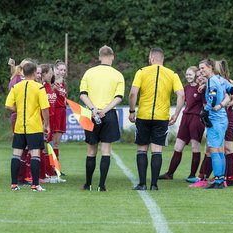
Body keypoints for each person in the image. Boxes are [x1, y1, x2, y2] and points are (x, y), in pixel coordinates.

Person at [128, 48, 185, 191]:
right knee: (157, 150)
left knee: (142, 149)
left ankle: (142, 184)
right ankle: (154, 185)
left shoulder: (141, 72)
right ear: (162, 59)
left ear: (151, 58)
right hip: (161, 117)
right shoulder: (172, 74)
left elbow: (132, 93)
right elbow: (181, 95)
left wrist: (132, 111)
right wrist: (176, 114)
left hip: (143, 116)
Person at [79, 45, 125, 192]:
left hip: (91, 114)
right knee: (106, 150)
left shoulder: (89, 72)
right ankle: (101, 185)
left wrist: (93, 109)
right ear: (112, 56)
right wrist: (104, 110)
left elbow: (83, 94)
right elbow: (118, 97)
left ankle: (88, 184)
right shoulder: (118, 75)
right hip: (108, 114)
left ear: (99, 57)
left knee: (91, 151)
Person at [5, 62, 50, 192]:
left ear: (23, 72)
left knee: (16, 154)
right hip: (34, 126)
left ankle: (14, 184)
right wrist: (46, 124)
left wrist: (18, 110)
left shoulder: (16, 87)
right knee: (35, 154)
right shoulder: (39, 87)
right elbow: (45, 109)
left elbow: (8, 105)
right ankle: (35, 185)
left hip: (20, 126)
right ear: (35, 72)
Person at [158, 66, 206, 182]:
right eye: (187, 74)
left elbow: (206, 105)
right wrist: (176, 115)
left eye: (190, 74)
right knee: (178, 146)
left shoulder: (202, 89)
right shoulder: (185, 88)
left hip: (196, 119)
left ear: (196, 75)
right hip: (186, 118)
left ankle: (192, 175)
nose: (188, 76)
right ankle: (169, 174)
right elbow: (181, 102)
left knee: (195, 147)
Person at [198, 58, 233, 189]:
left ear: (210, 68)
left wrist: (206, 110)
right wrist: (222, 104)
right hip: (223, 119)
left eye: (203, 68)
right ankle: (221, 179)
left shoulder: (212, 81)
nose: (201, 70)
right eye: (200, 68)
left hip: (215, 120)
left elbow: (212, 98)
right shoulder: (220, 79)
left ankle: (218, 181)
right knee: (220, 150)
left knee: (214, 150)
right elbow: (232, 91)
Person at [216, 60, 233, 186]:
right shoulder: (214, 81)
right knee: (222, 148)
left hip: (228, 116)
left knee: (228, 148)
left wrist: (225, 105)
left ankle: (231, 179)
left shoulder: (228, 83)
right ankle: (224, 177)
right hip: (220, 117)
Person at [52, 60, 68, 175]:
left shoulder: (64, 83)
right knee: (52, 142)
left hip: (62, 112)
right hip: (55, 112)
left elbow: (64, 98)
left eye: (64, 70)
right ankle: (52, 168)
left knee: (57, 143)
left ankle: (56, 168)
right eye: (60, 69)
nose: (62, 72)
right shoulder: (52, 83)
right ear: (55, 69)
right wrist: (54, 87)